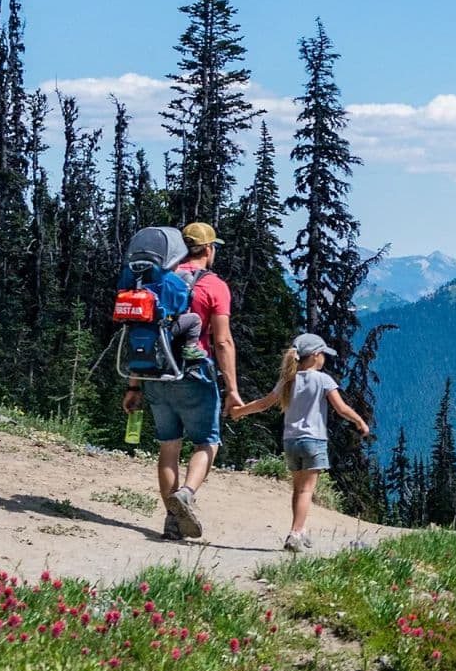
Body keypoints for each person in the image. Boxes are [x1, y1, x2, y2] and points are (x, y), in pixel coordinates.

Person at [121, 221, 239, 540]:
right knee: (207, 441)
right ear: (210, 249)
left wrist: (134, 386)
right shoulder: (214, 286)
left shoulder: (157, 280)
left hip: (156, 373)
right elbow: (224, 341)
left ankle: (172, 523)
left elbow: (140, 333)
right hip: (195, 373)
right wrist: (232, 390)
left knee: (168, 447)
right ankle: (186, 494)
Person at [229, 332, 371, 551]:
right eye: (323, 354)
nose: (324, 358)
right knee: (307, 491)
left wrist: (240, 411)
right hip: (314, 440)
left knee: (298, 489)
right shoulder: (323, 380)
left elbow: (265, 403)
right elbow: (341, 408)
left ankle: (300, 528)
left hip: (291, 441)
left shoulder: (288, 380)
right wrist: (359, 421)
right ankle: (295, 533)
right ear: (315, 356)